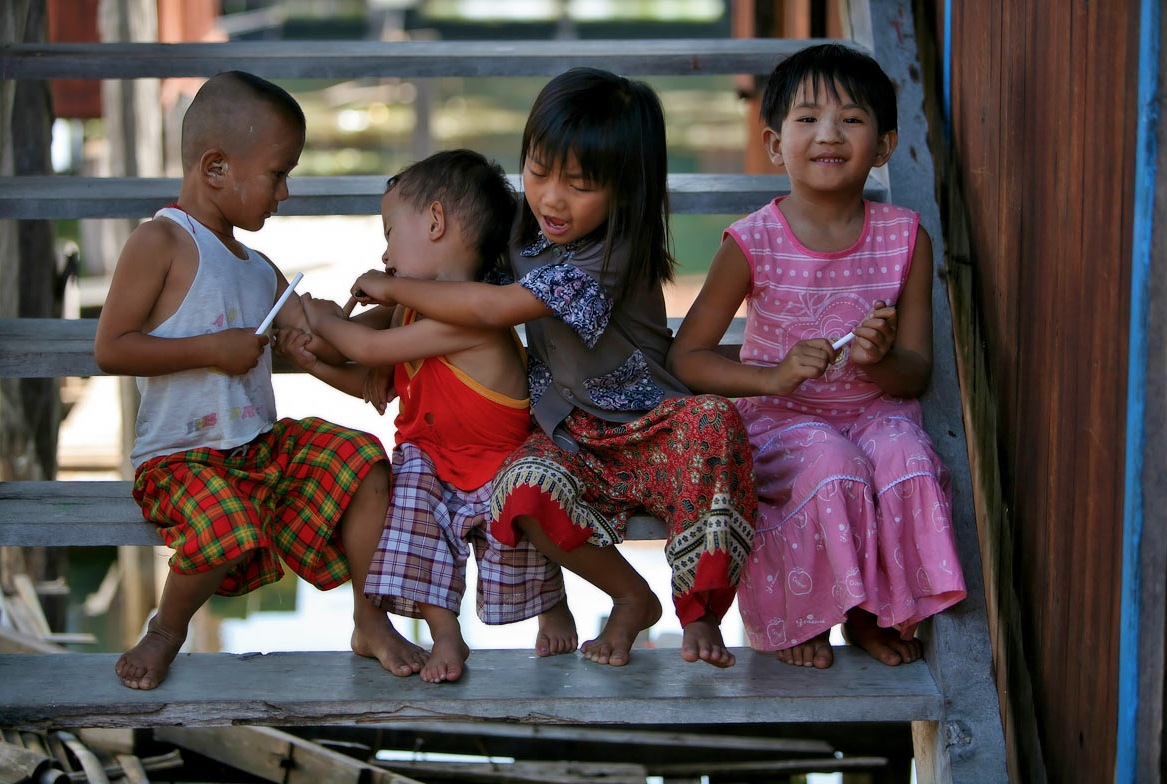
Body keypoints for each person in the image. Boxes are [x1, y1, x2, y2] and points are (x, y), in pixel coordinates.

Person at [346, 67, 757, 669]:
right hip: (567, 436)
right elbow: (456, 281)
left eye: (581, 184)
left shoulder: (607, 255)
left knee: (715, 424)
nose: (551, 199)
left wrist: (390, 285)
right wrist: (383, 333)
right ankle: (629, 596)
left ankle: (701, 615)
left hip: (650, 430)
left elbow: (490, 307)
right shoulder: (522, 229)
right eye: (538, 172)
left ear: (625, 189)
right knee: (520, 485)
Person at [94, 71, 428, 690]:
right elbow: (111, 348)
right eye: (277, 174)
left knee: (361, 458)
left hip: (257, 447)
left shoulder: (259, 268)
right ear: (215, 167)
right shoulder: (160, 240)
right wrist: (211, 349)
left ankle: (367, 616)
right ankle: (167, 628)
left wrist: (392, 313)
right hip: (181, 456)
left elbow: (318, 322)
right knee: (226, 528)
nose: (285, 192)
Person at [667, 43, 967, 670]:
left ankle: (870, 613)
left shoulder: (906, 237)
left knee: (905, 456)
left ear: (884, 146)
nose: (828, 135)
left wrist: (878, 360)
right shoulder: (753, 242)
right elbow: (688, 358)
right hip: (783, 422)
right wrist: (772, 377)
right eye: (807, 119)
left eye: (851, 120)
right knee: (833, 463)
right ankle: (801, 616)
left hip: (875, 412)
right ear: (775, 143)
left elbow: (916, 371)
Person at [278, 149, 577, 683]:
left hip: (496, 459)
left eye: (391, 232)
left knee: (520, 528)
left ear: (435, 222)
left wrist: (319, 316)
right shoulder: (411, 311)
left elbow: (366, 349)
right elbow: (372, 378)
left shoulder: (475, 313)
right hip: (431, 457)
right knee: (414, 513)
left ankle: (551, 602)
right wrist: (313, 362)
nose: (385, 250)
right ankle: (446, 635)